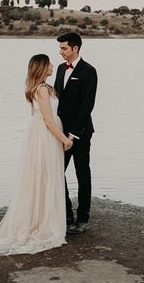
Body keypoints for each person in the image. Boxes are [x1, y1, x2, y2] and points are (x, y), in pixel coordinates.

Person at [0, 54, 75, 255]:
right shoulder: (42, 89)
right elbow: (48, 121)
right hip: (46, 135)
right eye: (49, 63)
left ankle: (43, 217)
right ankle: (43, 223)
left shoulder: (42, 88)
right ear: (42, 67)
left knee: (43, 176)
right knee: (47, 176)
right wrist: (65, 140)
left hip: (42, 135)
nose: (53, 65)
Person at [54, 32, 98, 234]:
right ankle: (66, 215)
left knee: (82, 173)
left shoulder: (89, 71)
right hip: (61, 132)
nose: (60, 52)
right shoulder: (61, 69)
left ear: (75, 48)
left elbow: (87, 105)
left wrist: (72, 134)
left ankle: (83, 217)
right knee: (57, 172)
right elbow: (58, 101)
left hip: (80, 133)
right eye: (60, 48)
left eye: (64, 48)